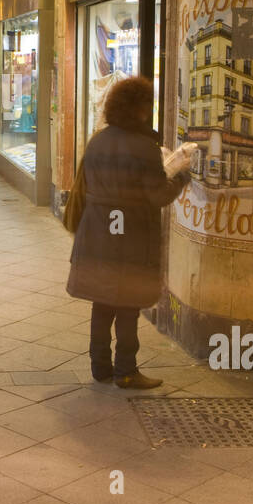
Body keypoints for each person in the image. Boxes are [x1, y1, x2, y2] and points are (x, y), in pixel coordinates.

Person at [66, 76, 190, 390]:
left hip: (98, 231)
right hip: (130, 234)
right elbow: (158, 195)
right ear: (139, 109)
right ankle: (126, 370)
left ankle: (100, 366)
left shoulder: (98, 140)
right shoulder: (144, 147)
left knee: (102, 301)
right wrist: (180, 176)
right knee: (127, 304)